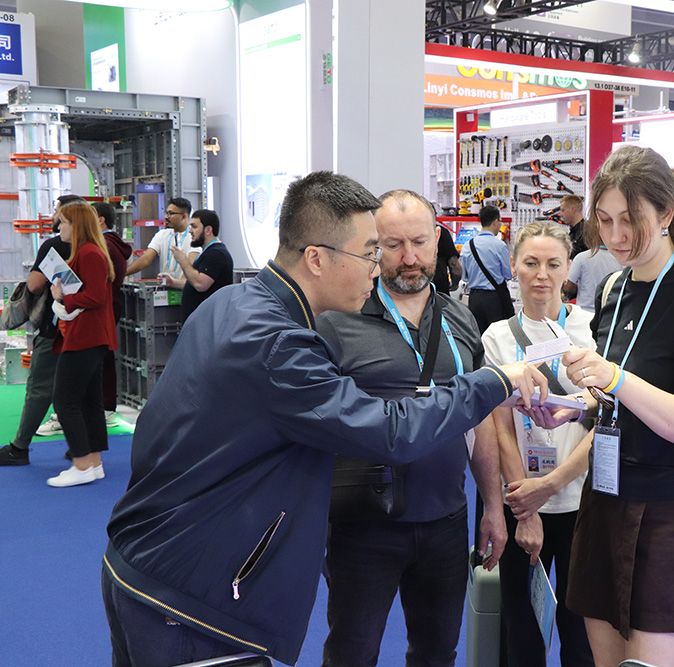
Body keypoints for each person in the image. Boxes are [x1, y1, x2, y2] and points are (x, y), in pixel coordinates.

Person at [102, 172, 546, 667]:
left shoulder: (233, 303)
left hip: (152, 564)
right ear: (316, 258)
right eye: (371, 253)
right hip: (192, 598)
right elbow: (391, 431)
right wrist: (494, 381)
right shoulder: (279, 344)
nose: (377, 269)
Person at [560, 146, 674, 667]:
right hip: (608, 500)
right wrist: (572, 405)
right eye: (604, 220)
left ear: (666, 214)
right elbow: (616, 402)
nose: (615, 235)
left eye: (630, 220)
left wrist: (615, 377)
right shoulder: (613, 288)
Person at [316, 189, 508, 667]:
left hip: (446, 519)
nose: (409, 258)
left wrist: (493, 507)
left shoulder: (461, 319)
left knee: (437, 653)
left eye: (420, 243)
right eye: (393, 245)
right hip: (363, 527)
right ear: (373, 247)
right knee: (351, 654)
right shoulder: (338, 320)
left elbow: (480, 420)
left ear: (436, 240)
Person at [482, 221, 596, 667]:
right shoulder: (497, 336)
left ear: (568, 268)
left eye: (553, 264)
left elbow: (605, 417)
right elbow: (501, 428)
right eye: (531, 263)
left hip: (582, 499)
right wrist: (526, 509)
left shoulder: (589, 328)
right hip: (521, 499)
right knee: (523, 635)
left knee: (580, 636)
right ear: (514, 266)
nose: (541, 275)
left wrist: (553, 484)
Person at [0, 195, 82, 465]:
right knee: (77, 390)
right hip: (87, 329)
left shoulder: (54, 246)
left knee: (40, 387)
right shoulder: (98, 247)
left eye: (60, 215)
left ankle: (19, 447)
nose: (56, 220)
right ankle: (83, 448)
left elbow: (35, 285)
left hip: (55, 326)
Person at [46, 201, 118, 487]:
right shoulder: (90, 252)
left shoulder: (89, 253)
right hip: (91, 335)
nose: (59, 226)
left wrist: (62, 297)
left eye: (63, 222)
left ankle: (82, 464)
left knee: (65, 400)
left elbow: (95, 297)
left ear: (77, 225)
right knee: (89, 401)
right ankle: (93, 463)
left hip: (86, 336)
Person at [159, 209, 234, 320]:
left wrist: (183, 261)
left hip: (207, 323)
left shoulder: (216, 254)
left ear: (208, 230)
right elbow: (195, 282)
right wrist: (173, 283)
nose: (190, 231)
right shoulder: (208, 253)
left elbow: (200, 284)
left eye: (194, 227)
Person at [94, 201, 131, 426]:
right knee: (102, 358)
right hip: (106, 308)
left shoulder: (104, 246)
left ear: (101, 220)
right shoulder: (111, 244)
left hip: (101, 310)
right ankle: (104, 406)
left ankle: (105, 406)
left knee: (101, 359)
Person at [461, 204, 514, 333]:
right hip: (494, 299)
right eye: (500, 221)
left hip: (474, 299)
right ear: (495, 222)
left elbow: (464, 277)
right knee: (499, 335)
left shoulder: (467, 245)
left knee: (478, 336)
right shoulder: (499, 246)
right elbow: (507, 275)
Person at [124, 197, 199, 280]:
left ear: (183, 216)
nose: (166, 217)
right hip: (166, 286)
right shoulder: (162, 235)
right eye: (166, 213)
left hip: (184, 286)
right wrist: (123, 273)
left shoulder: (195, 237)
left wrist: (178, 283)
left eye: (171, 213)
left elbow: (191, 266)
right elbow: (146, 259)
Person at [564, 242, 623, 312]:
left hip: (584, 311)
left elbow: (568, 287)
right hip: (610, 311)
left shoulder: (581, 257)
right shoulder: (622, 259)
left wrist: (580, 287)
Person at [434, 222, 462, 293]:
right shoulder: (442, 232)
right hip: (440, 287)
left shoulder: (409, 229)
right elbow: (454, 263)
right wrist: (455, 284)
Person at [560, 194, 588, 258]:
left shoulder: (586, 232)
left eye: (563, 210)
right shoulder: (574, 232)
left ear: (573, 209)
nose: (561, 214)